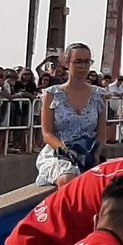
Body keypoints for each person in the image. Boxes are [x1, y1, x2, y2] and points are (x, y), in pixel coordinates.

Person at [38, 44, 104, 182]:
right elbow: (47, 134)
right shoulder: (52, 94)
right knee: (68, 178)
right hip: (59, 153)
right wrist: (66, 151)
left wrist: (95, 154)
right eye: (78, 61)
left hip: (88, 151)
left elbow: (102, 133)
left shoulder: (99, 95)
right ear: (67, 62)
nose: (83, 66)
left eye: (87, 61)